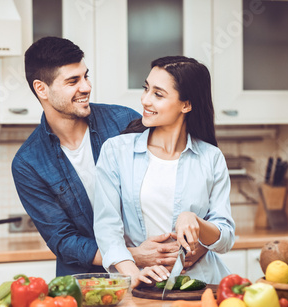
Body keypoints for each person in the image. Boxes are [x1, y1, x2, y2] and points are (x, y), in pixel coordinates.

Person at [12, 37, 207, 276]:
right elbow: (63, 241)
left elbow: (179, 180)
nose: (86, 87)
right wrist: (130, 256)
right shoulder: (28, 163)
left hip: (159, 271)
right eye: (73, 81)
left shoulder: (123, 121)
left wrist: (199, 245)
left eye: (85, 76)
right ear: (41, 88)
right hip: (89, 282)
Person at [94, 56, 235, 287]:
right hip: (141, 284)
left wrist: (195, 221)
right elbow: (107, 228)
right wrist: (132, 274)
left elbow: (225, 237)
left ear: (186, 105)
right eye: (146, 89)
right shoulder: (115, 152)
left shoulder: (211, 157)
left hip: (201, 285)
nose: (145, 100)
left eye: (158, 94)